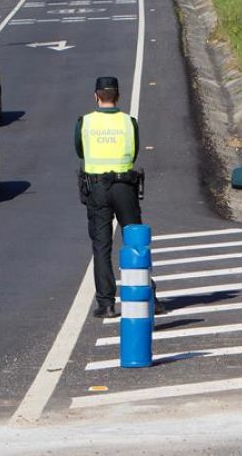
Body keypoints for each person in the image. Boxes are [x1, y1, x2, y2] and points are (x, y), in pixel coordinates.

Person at [75, 77, 167, 318]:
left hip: (97, 188)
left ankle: (106, 304)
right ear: (118, 95)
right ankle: (150, 298)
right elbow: (134, 151)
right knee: (135, 242)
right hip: (125, 185)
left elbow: (79, 150)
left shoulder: (85, 122)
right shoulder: (129, 122)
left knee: (101, 246)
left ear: (96, 96)